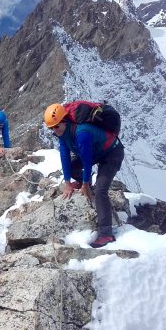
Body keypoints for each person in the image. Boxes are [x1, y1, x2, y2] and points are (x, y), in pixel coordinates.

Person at [44, 103, 124, 248]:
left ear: (65, 120)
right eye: (51, 128)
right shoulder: (63, 134)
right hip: (97, 152)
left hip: (112, 153)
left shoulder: (82, 133)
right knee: (73, 167)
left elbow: (87, 162)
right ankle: (83, 182)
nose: (55, 130)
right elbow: (64, 156)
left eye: (56, 126)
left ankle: (106, 234)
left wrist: (86, 184)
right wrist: (68, 183)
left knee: (100, 191)